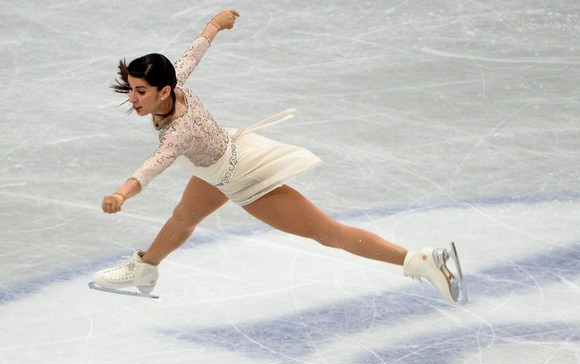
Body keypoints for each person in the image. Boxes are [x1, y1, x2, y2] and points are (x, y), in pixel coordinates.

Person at [92, 9, 464, 304]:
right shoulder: (175, 84)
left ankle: (418, 260)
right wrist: (214, 25)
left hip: (240, 175)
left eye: (140, 91)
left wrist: (122, 194)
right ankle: (147, 268)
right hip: (218, 166)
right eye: (132, 89)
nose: (132, 98)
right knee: (184, 217)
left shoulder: (177, 133)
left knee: (326, 233)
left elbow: (152, 167)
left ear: (163, 91)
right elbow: (193, 54)